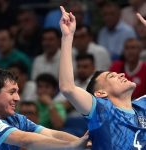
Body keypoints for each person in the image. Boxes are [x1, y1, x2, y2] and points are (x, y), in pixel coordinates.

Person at [59, 6, 146, 149]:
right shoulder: (102, 111)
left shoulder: (142, 105)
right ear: (100, 93)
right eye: (112, 76)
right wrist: (67, 37)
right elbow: (67, 88)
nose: (122, 74)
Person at [0, 67, 89, 150]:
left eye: (17, 92)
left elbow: (52, 134)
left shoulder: (17, 119)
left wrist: (86, 144)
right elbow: (24, 139)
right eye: (11, 92)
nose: (18, 98)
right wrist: (72, 146)